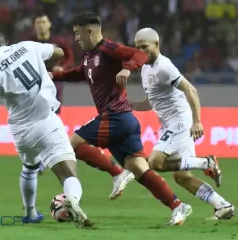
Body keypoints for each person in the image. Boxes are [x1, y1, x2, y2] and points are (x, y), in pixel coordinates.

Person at [50, 12, 192, 225]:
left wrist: (126, 69)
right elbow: (81, 73)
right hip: (125, 121)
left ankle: (117, 173)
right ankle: (178, 206)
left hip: (115, 116)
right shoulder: (89, 57)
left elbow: (139, 55)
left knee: (72, 145)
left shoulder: (108, 48)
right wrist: (56, 76)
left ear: (89, 31)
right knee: (139, 168)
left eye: (78, 34)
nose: (76, 38)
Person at [0, 26, 92, 228]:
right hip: (46, 121)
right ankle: (72, 199)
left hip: (21, 131)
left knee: (30, 168)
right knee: (68, 174)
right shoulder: (28, 47)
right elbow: (59, 51)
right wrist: (54, 60)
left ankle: (30, 213)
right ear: (4, 39)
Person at [131, 28, 235, 220]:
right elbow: (152, 100)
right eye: (137, 48)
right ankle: (223, 206)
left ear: (157, 45)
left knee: (155, 161)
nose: (141, 52)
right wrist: (130, 105)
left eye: (144, 47)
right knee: (182, 177)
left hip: (179, 121)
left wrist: (196, 122)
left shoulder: (164, 67)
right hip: (169, 123)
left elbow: (190, 89)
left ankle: (206, 162)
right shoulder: (146, 68)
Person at [27, 13, 75, 174]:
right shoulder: (29, 42)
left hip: (54, 85)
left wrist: (62, 67)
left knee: (48, 118)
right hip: (34, 85)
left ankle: (43, 157)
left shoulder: (59, 41)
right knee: (39, 120)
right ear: (35, 25)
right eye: (38, 22)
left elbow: (70, 57)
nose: (41, 25)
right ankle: (47, 155)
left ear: (49, 25)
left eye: (43, 22)